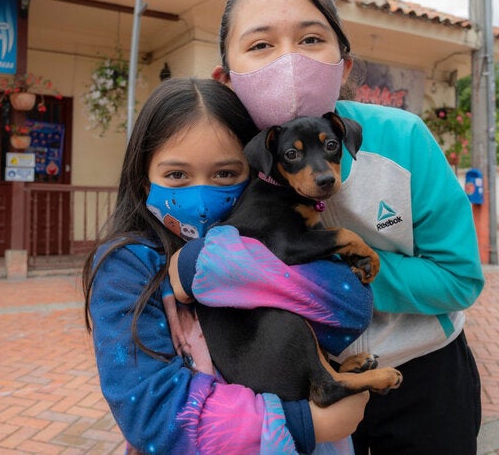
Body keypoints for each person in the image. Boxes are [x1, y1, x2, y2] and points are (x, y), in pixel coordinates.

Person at [175, 0, 484, 454]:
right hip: (288, 388)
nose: (290, 60)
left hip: (422, 372)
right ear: (227, 79)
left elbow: (461, 280)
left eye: (312, 38)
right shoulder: (217, 163)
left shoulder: (404, 139)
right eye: (260, 45)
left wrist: (321, 282)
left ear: (343, 65)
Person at [83, 77, 372, 454]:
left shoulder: (280, 231)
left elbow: (350, 310)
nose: (201, 196)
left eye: (224, 174)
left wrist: (206, 265)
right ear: (143, 183)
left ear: (257, 170)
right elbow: (151, 415)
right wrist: (304, 423)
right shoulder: (128, 267)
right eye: (176, 175)